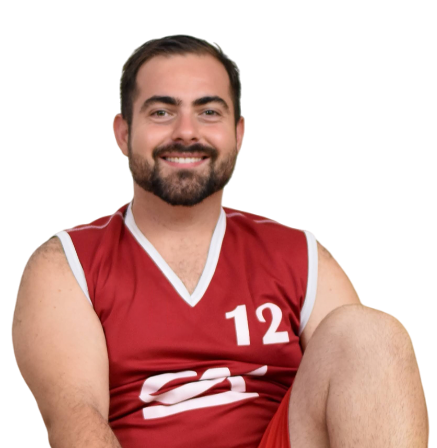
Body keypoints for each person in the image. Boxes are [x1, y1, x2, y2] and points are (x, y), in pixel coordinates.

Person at [12, 35, 429, 447]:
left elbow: (366, 393)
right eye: (161, 112)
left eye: (209, 112)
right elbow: (76, 421)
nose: (186, 132)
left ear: (238, 133)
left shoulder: (300, 255)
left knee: (371, 334)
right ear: (122, 133)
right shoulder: (67, 263)